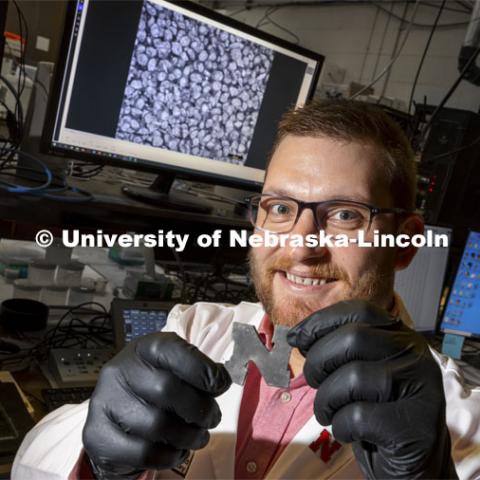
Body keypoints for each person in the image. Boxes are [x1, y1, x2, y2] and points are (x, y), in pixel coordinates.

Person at [12, 100, 480, 479]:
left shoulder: (460, 417)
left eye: (344, 215)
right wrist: (95, 463)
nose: (300, 245)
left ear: (406, 243)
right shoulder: (197, 329)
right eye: (279, 208)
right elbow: (29, 464)